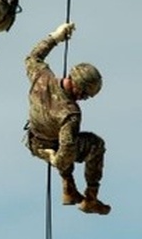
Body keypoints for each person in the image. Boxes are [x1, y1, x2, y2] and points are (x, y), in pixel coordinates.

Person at [23, 22, 111, 215]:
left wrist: (55, 37)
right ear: (78, 85)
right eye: (85, 94)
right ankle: (91, 198)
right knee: (96, 145)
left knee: (65, 143)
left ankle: (69, 188)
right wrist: (55, 159)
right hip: (50, 149)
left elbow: (33, 57)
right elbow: (65, 155)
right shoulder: (70, 113)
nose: (83, 99)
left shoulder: (42, 78)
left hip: (33, 142)